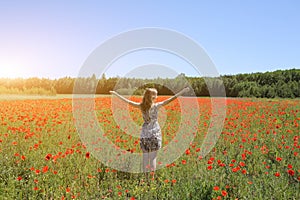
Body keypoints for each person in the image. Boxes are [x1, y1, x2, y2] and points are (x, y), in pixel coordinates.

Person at [109, 87, 189, 173]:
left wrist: (115, 94)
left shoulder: (141, 106)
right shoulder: (156, 106)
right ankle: (151, 180)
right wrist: (182, 91)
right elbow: (170, 99)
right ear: (153, 97)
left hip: (145, 134)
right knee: (153, 158)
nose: (157, 97)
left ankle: (145, 179)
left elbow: (127, 101)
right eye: (156, 95)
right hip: (155, 134)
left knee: (145, 158)